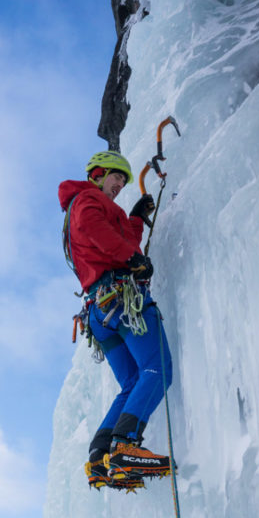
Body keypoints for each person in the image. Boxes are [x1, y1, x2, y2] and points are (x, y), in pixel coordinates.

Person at [58, 150, 173, 485]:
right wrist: (132, 257)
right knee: (157, 368)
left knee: (134, 381)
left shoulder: (91, 205)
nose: (119, 185)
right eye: (116, 177)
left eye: (124, 181)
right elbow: (101, 234)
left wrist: (135, 218)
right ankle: (125, 447)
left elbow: (117, 239)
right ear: (97, 173)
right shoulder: (87, 200)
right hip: (120, 300)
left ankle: (100, 455)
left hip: (100, 311)